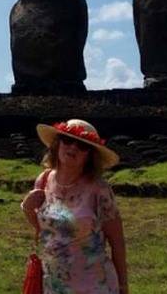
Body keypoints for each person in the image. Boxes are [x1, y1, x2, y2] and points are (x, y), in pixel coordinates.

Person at [21, 119, 129, 294]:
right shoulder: (43, 180)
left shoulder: (99, 189)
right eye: (67, 140)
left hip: (94, 285)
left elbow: (117, 242)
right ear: (57, 144)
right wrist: (26, 209)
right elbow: (48, 229)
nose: (73, 148)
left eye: (81, 145)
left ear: (90, 155)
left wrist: (123, 286)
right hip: (54, 283)